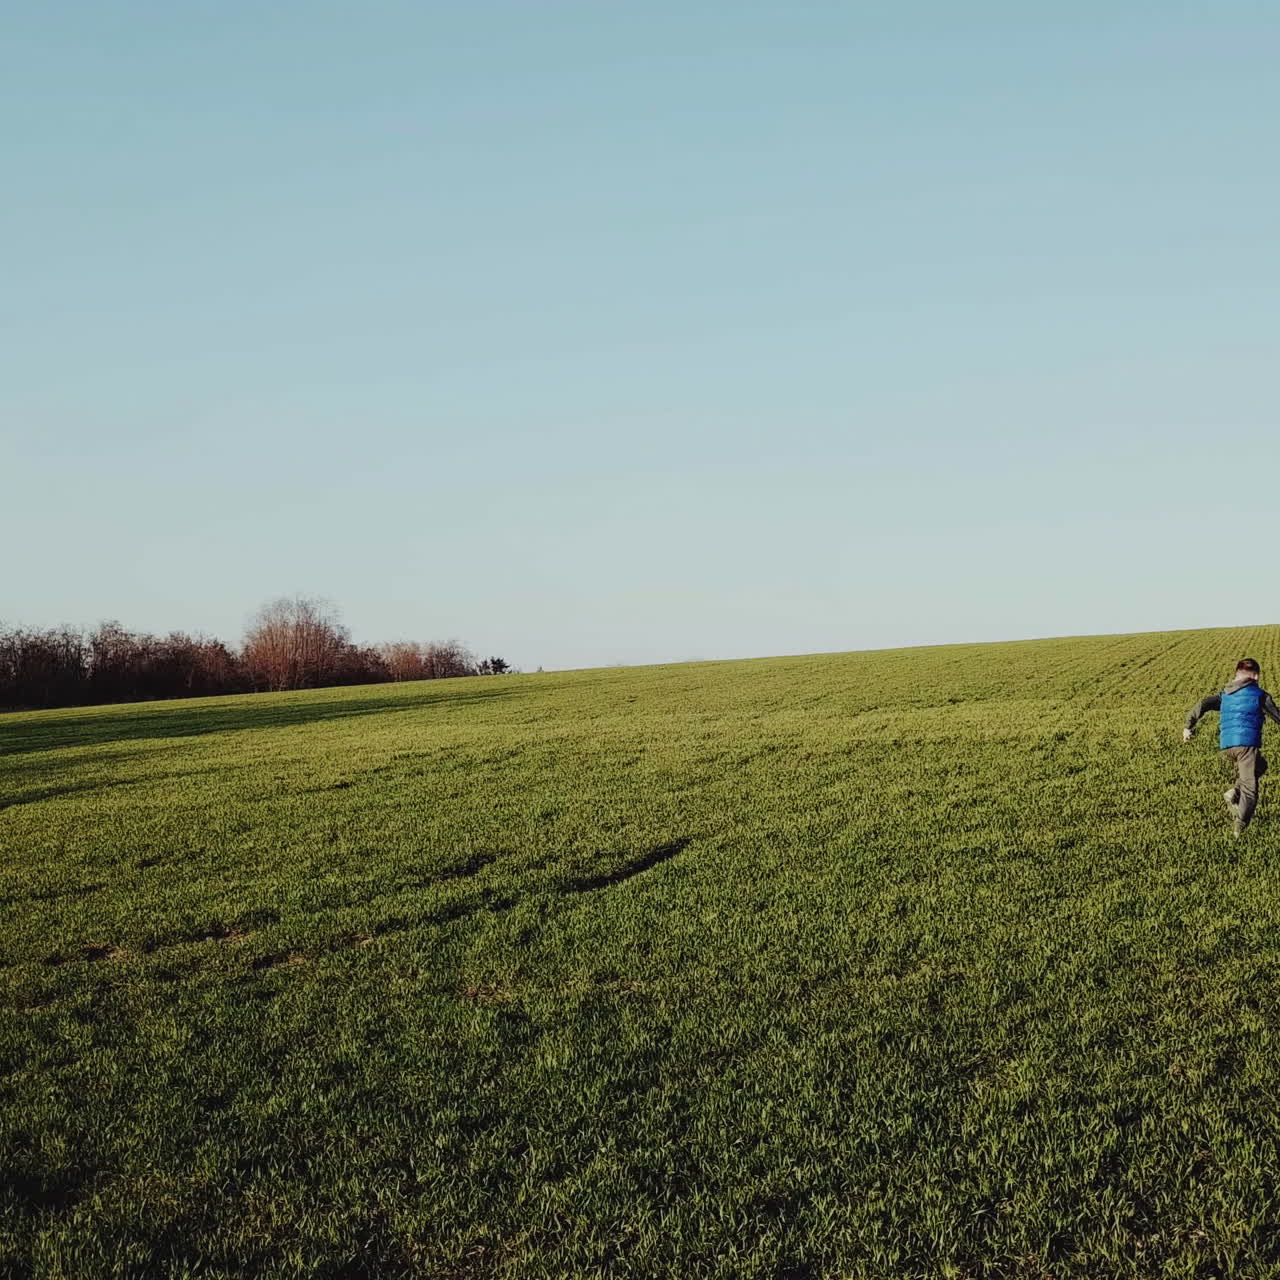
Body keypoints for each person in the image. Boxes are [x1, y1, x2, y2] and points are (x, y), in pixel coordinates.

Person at [1183, 658, 1280, 835]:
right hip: (1246, 746)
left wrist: (1187, 727)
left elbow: (1202, 704)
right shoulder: (1260, 695)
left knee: (1261, 765)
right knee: (1250, 790)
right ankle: (1239, 829)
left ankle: (1234, 793)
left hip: (1227, 745)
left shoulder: (1225, 695)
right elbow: (1278, 717)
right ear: (1256, 676)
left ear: (1236, 675)